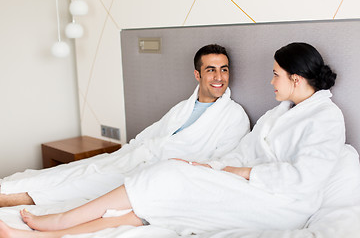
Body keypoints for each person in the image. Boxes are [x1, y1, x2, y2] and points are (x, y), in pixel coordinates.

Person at [0, 42, 347, 238]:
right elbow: (242, 152)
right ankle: (48, 232)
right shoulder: (278, 113)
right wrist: (206, 166)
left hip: (282, 205)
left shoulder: (325, 118)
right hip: (252, 189)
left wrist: (238, 173)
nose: (271, 82)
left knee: (165, 178)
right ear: (197, 74)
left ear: (297, 78)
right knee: (160, 191)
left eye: (276, 75)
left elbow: (306, 179)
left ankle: (58, 222)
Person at [0, 44, 250, 207]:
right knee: (84, 167)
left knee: (93, 182)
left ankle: (18, 199)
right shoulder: (183, 107)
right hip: (139, 157)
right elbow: (152, 133)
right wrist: (128, 152)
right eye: (211, 70)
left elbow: (224, 163)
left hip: (164, 171)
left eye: (224, 70)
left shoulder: (234, 116)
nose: (219, 77)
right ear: (198, 75)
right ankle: (13, 187)